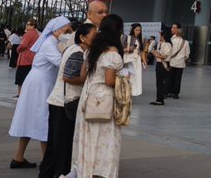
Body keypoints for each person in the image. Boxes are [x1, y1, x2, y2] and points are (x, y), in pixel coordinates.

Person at [8, 16, 73, 169]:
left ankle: (18, 158)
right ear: (57, 30)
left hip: (38, 82)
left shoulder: (52, 42)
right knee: (45, 119)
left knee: (30, 119)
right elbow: (61, 63)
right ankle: (46, 161)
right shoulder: (50, 43)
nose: (69, 33)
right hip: (41, 84)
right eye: (67, 30)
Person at [72, 14, 126, 178]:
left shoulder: (91, 50)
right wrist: (125, 81)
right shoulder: (112, 53)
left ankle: (85, 171)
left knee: (87, 138)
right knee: (105, 139)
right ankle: (99, 173)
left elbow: (83, 76)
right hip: (104, 101)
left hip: (88, 97)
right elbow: (109, 81)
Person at [39, 22, 95, 178]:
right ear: (82, 37)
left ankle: (46, 174)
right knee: (62, 147)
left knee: (54, 146)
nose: (96, 38)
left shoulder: (72, 49)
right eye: (94, 36)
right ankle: (60, 174)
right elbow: (68, 77)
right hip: (65, 103)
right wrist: (88, 80)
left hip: (58, 102)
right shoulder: (77, 52)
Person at [15, 20, 39, 97]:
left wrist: (18, 49)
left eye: (28, 24)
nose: (26, 26)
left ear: (32, 26)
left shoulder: (28, 34)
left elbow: (23, 45)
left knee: (20, 79)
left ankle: (20, 94)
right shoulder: (37, 34)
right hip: (32, 58)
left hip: (24, 59)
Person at [166, 23, 190, 99]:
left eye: (174, 28)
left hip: (171, 62)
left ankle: (168, 92)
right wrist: (184, 59)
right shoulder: (185, 42)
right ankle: (175, 94)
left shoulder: (171, 40)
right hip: (181, 64)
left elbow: (168, 52)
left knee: (169, 78)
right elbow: (187, 54)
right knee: (178, 79)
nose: (172, 29)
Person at [149, 31, 172, 106]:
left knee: (160, 82)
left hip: (163, 64)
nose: (159, 37)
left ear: (163, 36)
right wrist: (155, 52)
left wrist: (156, 54)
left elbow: (165, 56)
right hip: (159, 64)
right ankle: (159, 99)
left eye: (161, 35)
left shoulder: (167, 44)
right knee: (159, 82)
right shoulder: (161, 43)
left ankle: (160, 100)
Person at [123, 23, 144, 97]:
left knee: (135, 78)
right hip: (129, 60)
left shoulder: (140, 39)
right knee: (128, 77)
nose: (138, 32)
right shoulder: (127, 37)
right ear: (132, 30)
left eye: (139, 30)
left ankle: (130, 94)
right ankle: (125, 94)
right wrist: (129, 49)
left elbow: (141, 51)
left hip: (136, 60)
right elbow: (121, 49)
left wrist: (144, 62)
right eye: (136, 30)